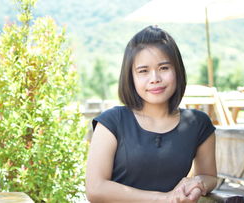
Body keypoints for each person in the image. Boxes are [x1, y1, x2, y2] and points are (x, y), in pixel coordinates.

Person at [85, 25, 217, 202]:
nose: (155, 78)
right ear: (130, 77)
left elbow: (209, 176)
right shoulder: (112, 121)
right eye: (143, 71)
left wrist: (196, 184)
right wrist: (163, 199)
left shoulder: (198, 123)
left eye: (163, 68)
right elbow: (95, 189)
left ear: (177, 70)